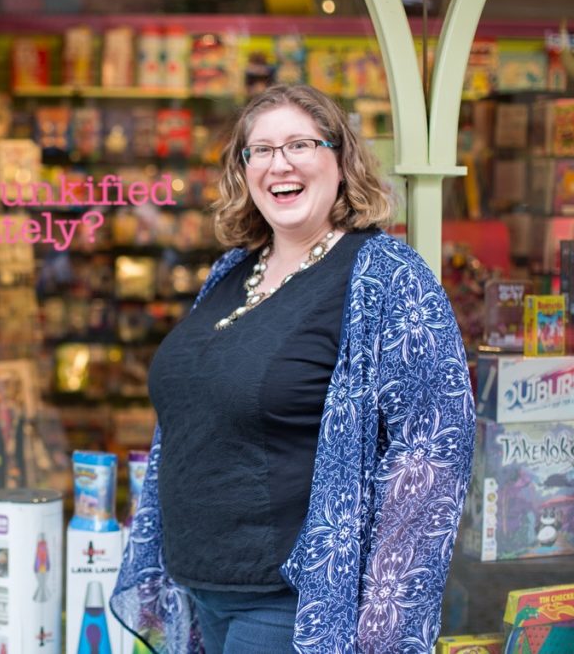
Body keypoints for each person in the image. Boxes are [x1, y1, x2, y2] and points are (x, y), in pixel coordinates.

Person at [110, 84, 475, 653]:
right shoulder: (232, 271)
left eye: (300, 144)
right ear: (244, 171)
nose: (279, 164)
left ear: (341, 158)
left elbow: (430, 453)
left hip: (293, 603)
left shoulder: (386, 275)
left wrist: (385, 622)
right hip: (201, 589)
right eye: (260, 150)